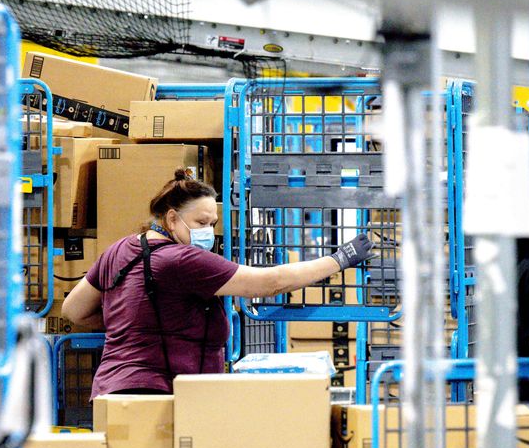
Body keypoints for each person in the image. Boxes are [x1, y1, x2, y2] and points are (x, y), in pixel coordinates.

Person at [62, 168, 374, 397]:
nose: (208, 232)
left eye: (212, 223)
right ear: (171, 219)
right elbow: (270, 282)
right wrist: (339, 259)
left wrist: (132, 323)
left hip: (112, 392)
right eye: (200, 223)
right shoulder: (181, 260)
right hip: (159, 396)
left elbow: (73, 310)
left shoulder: (120, 249)